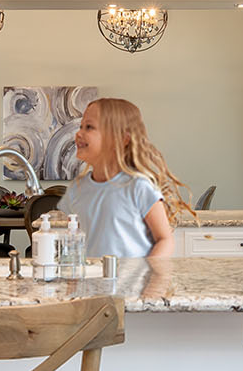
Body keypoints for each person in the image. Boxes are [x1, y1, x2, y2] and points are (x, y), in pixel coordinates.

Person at [57, 98, 194, 258]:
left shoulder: (138, 187)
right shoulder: (77, 189)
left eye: (89, 127)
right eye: (81, 126)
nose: (79, 133)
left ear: (121, 139)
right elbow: (77, 240)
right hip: (92, 281)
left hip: (134, 282)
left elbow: (164, 240)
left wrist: (153, 278)